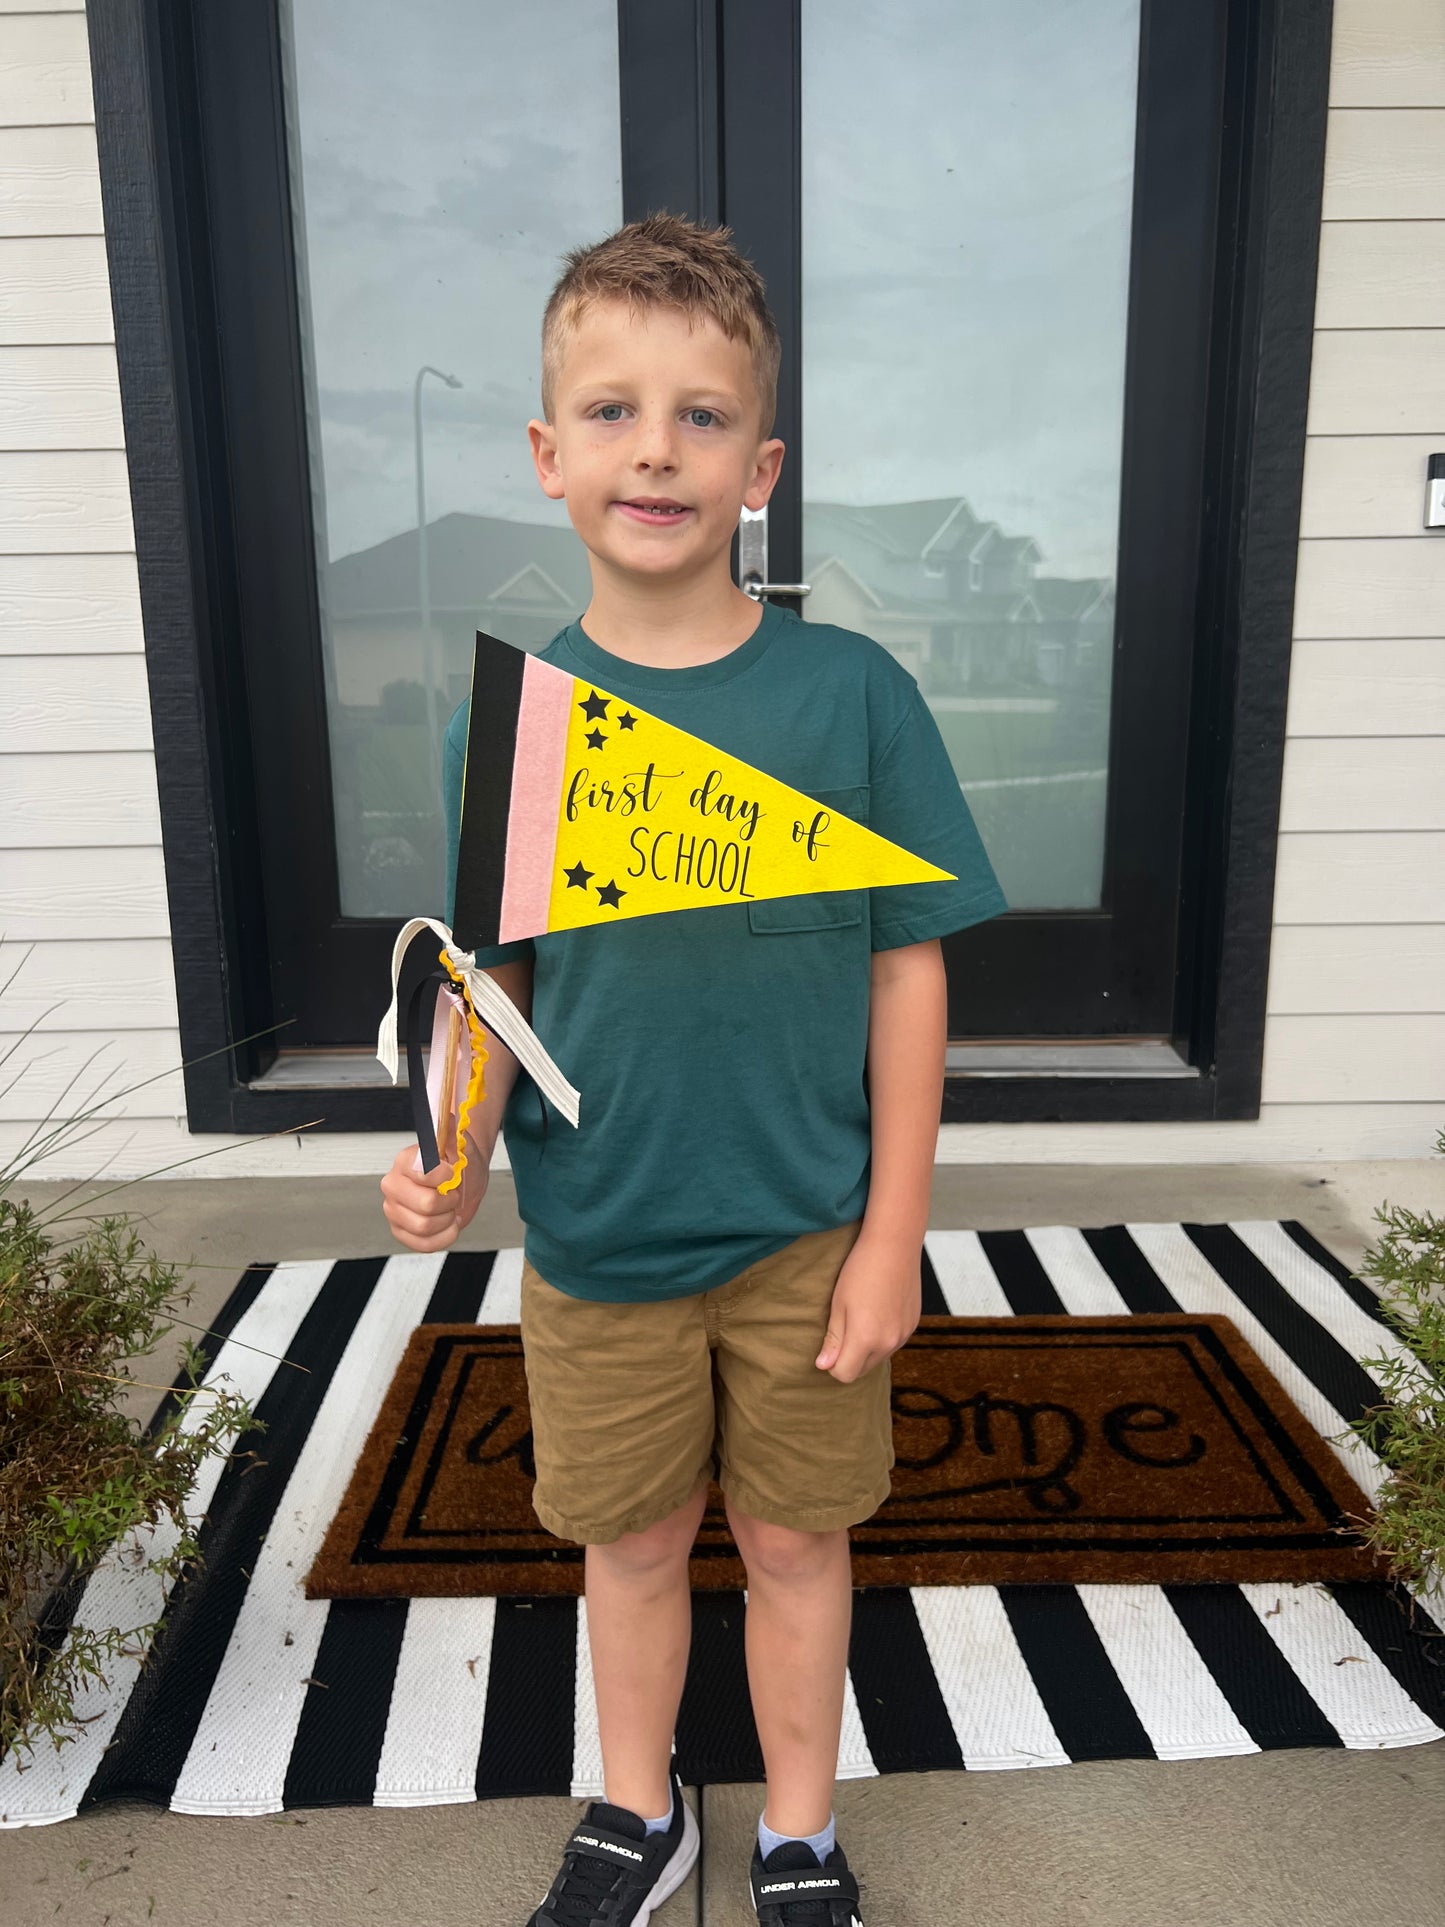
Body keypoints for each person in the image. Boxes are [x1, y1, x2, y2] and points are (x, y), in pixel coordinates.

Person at [381, 213, 1009, 1927]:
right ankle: (637, 1810)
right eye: (609, 409)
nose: (653, 445)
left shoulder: (851, 695)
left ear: (761, 467)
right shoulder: (515, 722)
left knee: (801, 1540)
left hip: (809, 1227)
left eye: (701, 414)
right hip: (603, 1235)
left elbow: (906, 969)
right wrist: (446, 1142)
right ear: (546, 453)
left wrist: (895, 1234)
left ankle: (796, 1830)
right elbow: (493, 982)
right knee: (633, 1540)